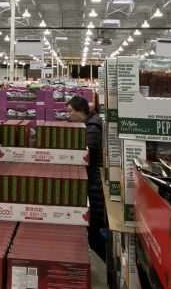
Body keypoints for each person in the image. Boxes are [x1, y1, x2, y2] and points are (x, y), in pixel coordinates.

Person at [67, 95, 107, 261]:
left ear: (80, 111)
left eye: (70, 111)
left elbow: (85, 154)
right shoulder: (90, 124)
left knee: (93, 230)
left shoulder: (92, 129)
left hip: (94, 186)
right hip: (92, 183)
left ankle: (106, 260)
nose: (68, 115)